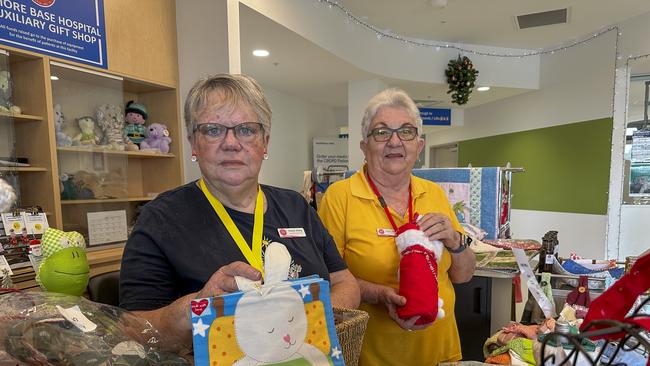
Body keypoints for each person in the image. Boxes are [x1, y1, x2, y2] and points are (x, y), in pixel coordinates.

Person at [119, 74, 360, 350]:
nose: (231, 143)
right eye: (213, 130)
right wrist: (196, 309)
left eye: (246, 130)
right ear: (193, 144)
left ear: (265, 142)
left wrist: (304, 317)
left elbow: (345, 282)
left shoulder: (295, 206)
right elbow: (133, 330)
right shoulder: (160, 219)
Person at [318, 88, 476, 365]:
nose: (394, 142)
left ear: (419, 146)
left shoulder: (435, 194)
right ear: (364, 146)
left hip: (440, 351)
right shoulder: (339, 197)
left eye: (406, 132)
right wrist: (379, 294)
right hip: (373, 355)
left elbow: (463, 276)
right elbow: (327, 279)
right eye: (381, 132)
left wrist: (455, 241)